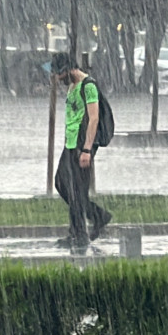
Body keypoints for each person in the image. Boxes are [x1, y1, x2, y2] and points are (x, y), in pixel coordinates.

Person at [50, 53, 112, 253]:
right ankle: (96, 216)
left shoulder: (88, 86)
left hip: (81, 145)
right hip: (70, 143)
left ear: (68, 69)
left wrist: (87, 149)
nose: (58, 79)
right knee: (61, 183)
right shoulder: (72, 86)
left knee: (77, 191)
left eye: (60, 74)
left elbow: (93, 119)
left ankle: (79, 235)